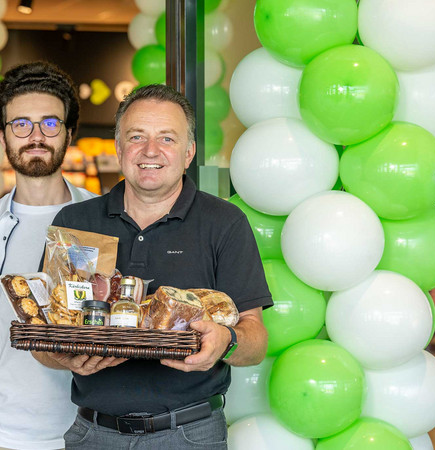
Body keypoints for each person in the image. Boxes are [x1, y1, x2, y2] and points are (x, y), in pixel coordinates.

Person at [34, 84, 272, 449]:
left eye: (167, 139)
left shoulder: (224, 222)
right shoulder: (75, 224)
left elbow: (255, 339)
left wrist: (226, 340)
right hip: (92, 435)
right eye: (136, 137)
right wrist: (64, 355)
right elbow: (43, 336)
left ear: (189, 152)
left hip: (189, 435)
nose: (150, 151)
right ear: (118, 147)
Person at [0, 61, 97, 450]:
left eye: (50, 123)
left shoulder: (103, 221)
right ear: (1, 134)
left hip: (89, 434)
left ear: (69, 132)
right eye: (21, 124)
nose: (36, 136)